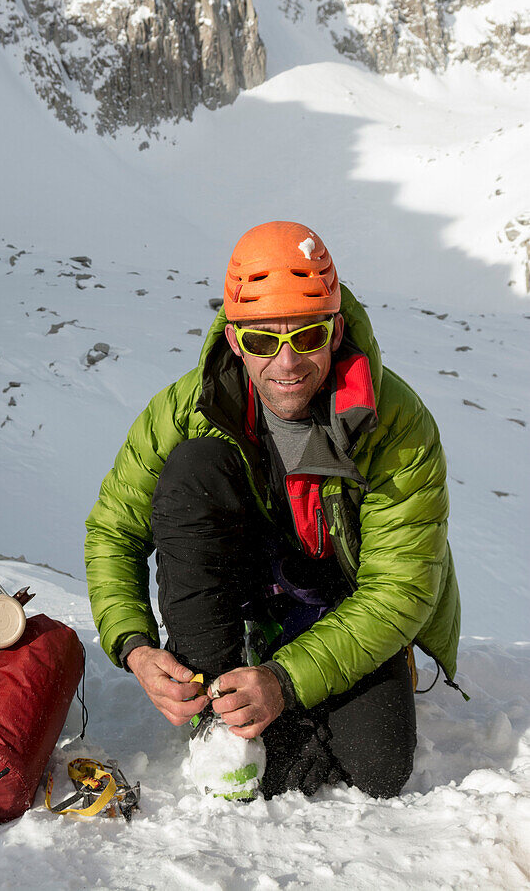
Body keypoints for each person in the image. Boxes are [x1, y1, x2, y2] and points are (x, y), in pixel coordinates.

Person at [85, 221, 460, 799]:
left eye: (307, 337)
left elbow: (399, 589)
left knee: (378, 772)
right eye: (262, 341)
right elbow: (114, 530)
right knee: (192, 470)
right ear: (235, 340)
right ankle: (219, 717)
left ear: (335, 332)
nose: (286, 363)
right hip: (244, 578)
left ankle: (269, 679)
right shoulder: (190, 406)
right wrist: (134, 645)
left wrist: (286, 679)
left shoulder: (396, 425)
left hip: (345, 599)